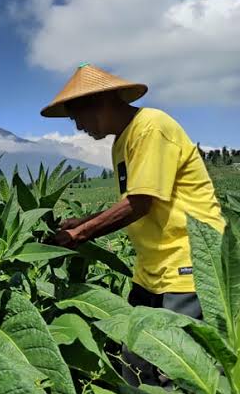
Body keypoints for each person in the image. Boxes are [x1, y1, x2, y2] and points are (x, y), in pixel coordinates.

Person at [40, 63, 226, 386]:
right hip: (151, 271)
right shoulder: (121, 143)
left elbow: (140, 203)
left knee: (177, 372)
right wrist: (80, 220)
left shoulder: (151, 127)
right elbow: (134, 198)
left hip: (187, 267)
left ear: (97, 102)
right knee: (135, 359)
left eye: (76, 117)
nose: (78, 127)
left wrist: (79, 234)